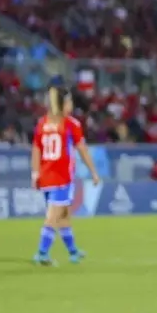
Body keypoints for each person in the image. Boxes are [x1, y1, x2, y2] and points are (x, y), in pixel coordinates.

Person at [31, 87, 100, 265]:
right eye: (69, 102)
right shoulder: (70, 124)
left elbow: (36, 148)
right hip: (61, 177)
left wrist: (35, 173)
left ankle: (73, 251)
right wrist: (93, 171)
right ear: (62, 105)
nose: (71, 105)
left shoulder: (43, 122)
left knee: (63, 215)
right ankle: (42, 252)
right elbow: (82, 149)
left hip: (45, 177)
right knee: (54, 216)